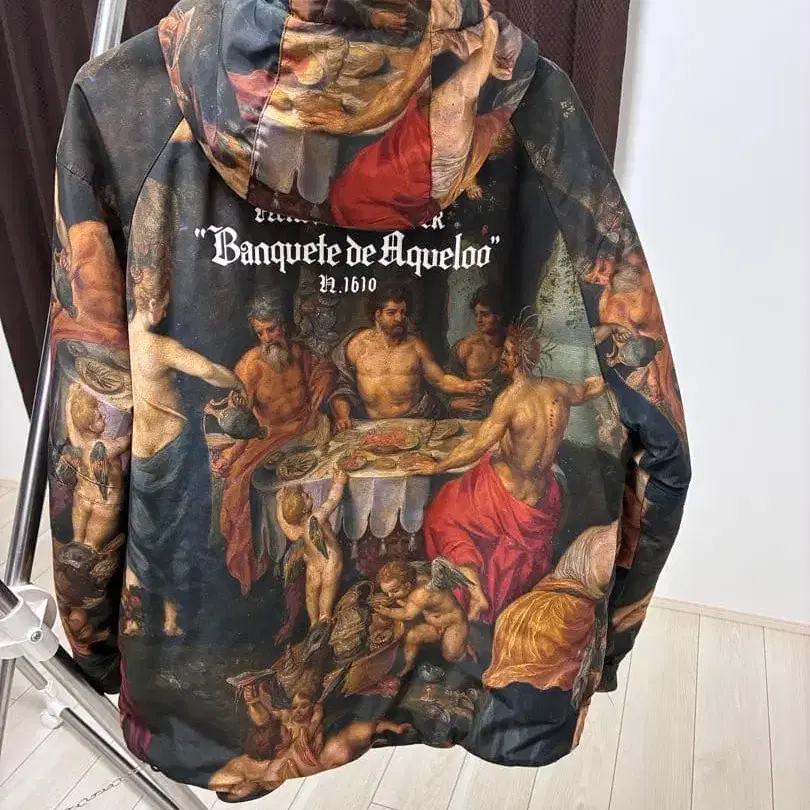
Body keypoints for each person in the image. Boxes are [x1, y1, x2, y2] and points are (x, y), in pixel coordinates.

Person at [409, 317, 605, 622]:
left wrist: (438, 465)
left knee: (444, 511)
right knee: (509, 549)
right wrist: (612, 359)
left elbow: (476, 446)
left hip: (505, 493)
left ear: (514, 358)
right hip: (541, 493)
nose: (501, 357)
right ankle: (506, 604)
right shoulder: (560, 389)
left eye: (506, 352)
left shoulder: (511, 399)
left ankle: (476, 592)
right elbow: (592, 388)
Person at [127, 226, 244, 636]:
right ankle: (172, 620)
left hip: (141, 451)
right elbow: (209, 370)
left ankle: (140, 616)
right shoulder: (159, 348)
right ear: (153, 302)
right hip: (172, 450)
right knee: (178, 532)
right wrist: (237, 382)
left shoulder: (124, 338)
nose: (166, 309)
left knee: (144, 535)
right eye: (164, 302)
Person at [212, 292, 336, 594]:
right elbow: (243, 422)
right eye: (261, 332)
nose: (267, 338)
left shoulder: (300, 354)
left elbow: (323, 370)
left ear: (284, 325)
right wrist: (231, 455)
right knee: (238, 484)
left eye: (272, 329)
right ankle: (261, 564)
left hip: (307, 432)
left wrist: (324, 381)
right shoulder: (249, 366)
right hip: (267, 438)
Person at [329, 285, 489, 429]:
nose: (399, 319)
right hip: (371, 426)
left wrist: (466, 386)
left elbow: (440, 380)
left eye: (403, 313)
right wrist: (342, 416)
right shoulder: (356, 344)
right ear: (377, 315)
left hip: (414, 421)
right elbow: (342, 387)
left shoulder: (416, 346)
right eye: (392, 313)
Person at [276, 469, 349, 626]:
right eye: (306, 496)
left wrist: (279, 503)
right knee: (326, 597)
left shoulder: (295, 530)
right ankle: (324, 621)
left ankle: (314, 624)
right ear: (304, 509)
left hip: (313, 565)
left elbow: (283, 522)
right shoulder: (316, 518)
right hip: (330, 562)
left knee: (311, 595)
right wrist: (339, 483)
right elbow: (333, 500)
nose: (309, 494)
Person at [374, 559, 472, 676]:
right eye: (387, 592)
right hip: (433, 625)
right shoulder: (412, 583)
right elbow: (409, 603)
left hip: (453, 623)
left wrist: (386, 611)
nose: (390, 595)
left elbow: (407, 614)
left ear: (407, 585)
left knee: (451, 656)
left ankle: (465, 649)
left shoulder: (421, 592)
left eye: (394, 591)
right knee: (412, 636)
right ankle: (408, 665)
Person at [62, 384, 129, 550]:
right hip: (104, 502)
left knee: (77, 540)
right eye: (99, 417)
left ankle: (76, 549)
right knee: (92, 546)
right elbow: (128, 440)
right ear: (92, 427)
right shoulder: (108, 446)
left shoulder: (78, 442)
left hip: (82, 496)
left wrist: (70, 399)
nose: (103, 417)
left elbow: (71, 425)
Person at [448, 283, 507, 417]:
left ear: (499, 315)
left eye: (485, 314)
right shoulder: (466, 347)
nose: (478, 320)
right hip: (471, 415)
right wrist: (454, 403)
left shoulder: (512, 347)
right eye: (476, 315)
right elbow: (444, 385)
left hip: (502, 413)